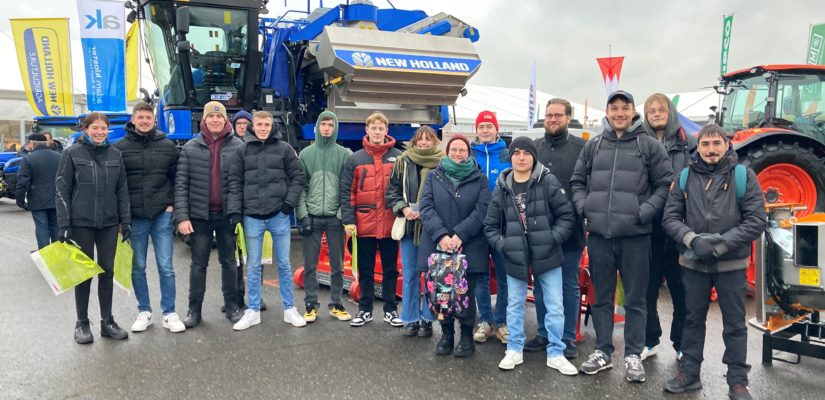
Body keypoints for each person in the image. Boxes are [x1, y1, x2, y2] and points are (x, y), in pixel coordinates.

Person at [570, 90, 673, 382]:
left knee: (636, 299)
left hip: (636, 237)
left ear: (632, 112)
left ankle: (632, 355)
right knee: (601, 297)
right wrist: (585, 208)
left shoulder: (649, 146)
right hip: (600, 236)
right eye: (613, 108)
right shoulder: (595, 146)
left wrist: (644, 212)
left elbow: (666, 184)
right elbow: (577, 180)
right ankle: (603, 350)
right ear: (607, 112)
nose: (619, 113)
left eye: (624, 108)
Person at [661, 124, 766, 400]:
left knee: (735, 324)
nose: (710, 149)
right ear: (698, 147)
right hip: (693, 263)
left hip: (731, 265)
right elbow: (670, 218)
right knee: (692, 319)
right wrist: (692, 240)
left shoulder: (744, 176)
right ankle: (689, 373)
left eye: (716, 143)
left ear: (726, 145)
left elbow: (756, 221)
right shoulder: (684, 177)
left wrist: (721, 243)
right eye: (705, 144)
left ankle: (737, 382)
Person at [483, 137, 577, 374]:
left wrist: (552, 238)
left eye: (526, 153)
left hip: (547, 253)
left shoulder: (547, 181)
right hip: (514, 254)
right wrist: (503, 245)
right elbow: (490, 225)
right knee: (515, 304)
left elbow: (567, 216)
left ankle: (556, 351)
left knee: (555, 304)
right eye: (517, 153)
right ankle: (514, 349)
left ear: (533, 156)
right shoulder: (503, 186)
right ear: (511, 157)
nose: (521, 157)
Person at [55, 112, 131, 344]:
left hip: (108, 223)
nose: (99, 132)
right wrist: (64, 224)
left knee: (107, 271)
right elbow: (61, 189)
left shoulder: (115, 154)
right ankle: (82, 323)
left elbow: (122, 190)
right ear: (86, 129)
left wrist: (125, 220)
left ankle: (107, 322)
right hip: (81, 223)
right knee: (84, 274)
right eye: (95, 128)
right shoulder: (71, 154)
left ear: (108, 130)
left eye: (103, 128)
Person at [228, 111, 307, 330]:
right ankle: (252, 311)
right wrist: (235, 211)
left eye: (266, 124)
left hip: (278, 215)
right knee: (253, 265)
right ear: (252, 126)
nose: (263, 128)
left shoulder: (284, 149)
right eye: (259, 124)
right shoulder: (241, 151)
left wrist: (287, 205)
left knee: (283, 263)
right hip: (252, 216)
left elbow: (298, 177)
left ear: (272, 126)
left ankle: (289, 309)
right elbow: (234, 182)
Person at [114, 102, 185, 334]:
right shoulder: (120, 148)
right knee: (138, 266)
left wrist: (172, 205)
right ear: (133, 120)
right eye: (140, 117)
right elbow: (116, 184)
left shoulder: (167, 146)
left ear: (154, 120)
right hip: (135, 216)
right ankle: (144, 311)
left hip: (161, 213)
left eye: (148, 117)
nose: (145, 121)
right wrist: (121, 216)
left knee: (166, 266)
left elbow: (177, 179)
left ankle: (169, 312)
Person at [525, 98, 586, 359]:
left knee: (568, 284)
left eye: (558, 115)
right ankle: (543, 332)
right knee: (540, 284)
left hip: (570, 231)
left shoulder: (583, 148)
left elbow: (586, 187)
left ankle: (567, 337)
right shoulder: (534, 149)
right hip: (538, 231)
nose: (552, 119)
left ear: (568, 118)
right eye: (548, 115)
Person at [418, 134, 490, 356]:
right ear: (447, 152)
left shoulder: (480, 179)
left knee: (465, 294)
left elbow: (482, 210)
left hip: (469, 245)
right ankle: (447, 335)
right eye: (454, 150)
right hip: (438, 245)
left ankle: (466, 337)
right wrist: (441, 235)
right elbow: (426, 207)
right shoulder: (434, 176)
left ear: (469, 153)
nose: (458, 154)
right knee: (441, 294)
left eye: (462, 150)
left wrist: (459, 235)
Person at [175, 101, 243, 328]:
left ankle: (232, 306)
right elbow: (181, 185)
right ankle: (194, 311)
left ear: (226, 121)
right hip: (199, 217)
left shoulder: (238, 146)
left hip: (226, 216)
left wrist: (237, 213)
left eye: (219, 117)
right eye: (211, 117)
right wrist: (182, 217)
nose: (215, 120)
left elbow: (240, 184)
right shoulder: (190, 148)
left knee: (229, 263)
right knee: (198, 265)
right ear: (204, 120)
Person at [640, 93, 691, 360]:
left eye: (661, 109)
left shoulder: (688, 144)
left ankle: (681, 342)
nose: (657, 114)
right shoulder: (639, 144)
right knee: (647, 289)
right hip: (649, 227)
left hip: (679, 228)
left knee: (680, 288)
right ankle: (650, 339)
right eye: (651, 111)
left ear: (670, 112)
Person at [340, 111, 402, 327]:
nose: (377, 132)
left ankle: (390, 310)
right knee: (365, 269)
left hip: (390, 223)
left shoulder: (398, 157)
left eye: (381, 128)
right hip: (363, 223)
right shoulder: (355, 159)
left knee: (390, 269)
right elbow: (347, 192)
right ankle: (364, 309)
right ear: (366, 130)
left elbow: (404, 189)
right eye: (373, 128)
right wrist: (348, 220)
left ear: (387, 131)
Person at [386, 125, 444, 337]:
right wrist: (403, 208)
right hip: (410, 226)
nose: (424, 142)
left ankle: (428, 318)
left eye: (428, 139)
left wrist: (429, 213)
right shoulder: (403, 162)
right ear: (415, 141)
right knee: (410, 274)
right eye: (420, 139)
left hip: (432, 229)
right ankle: (410, 318)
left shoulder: (443, 164)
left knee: (430, 275)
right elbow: (391, 192)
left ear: (434, 142)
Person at [297, 111, 353, 323]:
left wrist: (341, 215)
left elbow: (347, 188)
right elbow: (301, 187)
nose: (327, 128)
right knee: (310, 264)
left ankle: (336, 303)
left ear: (335, 128)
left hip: (334, 219)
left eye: (330, 125)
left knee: (337, 265)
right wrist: (303, 215)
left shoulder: (344, 154)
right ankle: (311, 304)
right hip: (312, 216)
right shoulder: (306, 154)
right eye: (323, 124)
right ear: (318, 127)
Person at [469, 110, 511, 344]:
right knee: (480, 274)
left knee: (505, 275)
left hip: (502, 225)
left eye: (489, 126)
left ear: (496, 128)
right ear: (476, 130)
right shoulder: (469, 155)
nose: (485, 130)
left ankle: (502, 322)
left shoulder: (507, 154)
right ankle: (485, 320)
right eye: (481, 127)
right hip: (476, 225)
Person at [227, 108, 263, 312]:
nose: (242, 127)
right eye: (238, 124)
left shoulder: (259, 146)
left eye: (245, 124)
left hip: (255, 210)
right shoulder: (231, 147)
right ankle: (235, 297)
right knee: (235, 258)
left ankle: (255, 298)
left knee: (257, 258)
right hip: (236, 210)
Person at [15, 133, 60, 249]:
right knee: (55, 226)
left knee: (41, 227)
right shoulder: (59, 156)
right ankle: (58, 255)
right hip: (56, 198)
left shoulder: (28, 159)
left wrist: (19, 200)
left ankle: (45, 256)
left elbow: (22, 182)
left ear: (32, 144)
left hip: (36, 199)